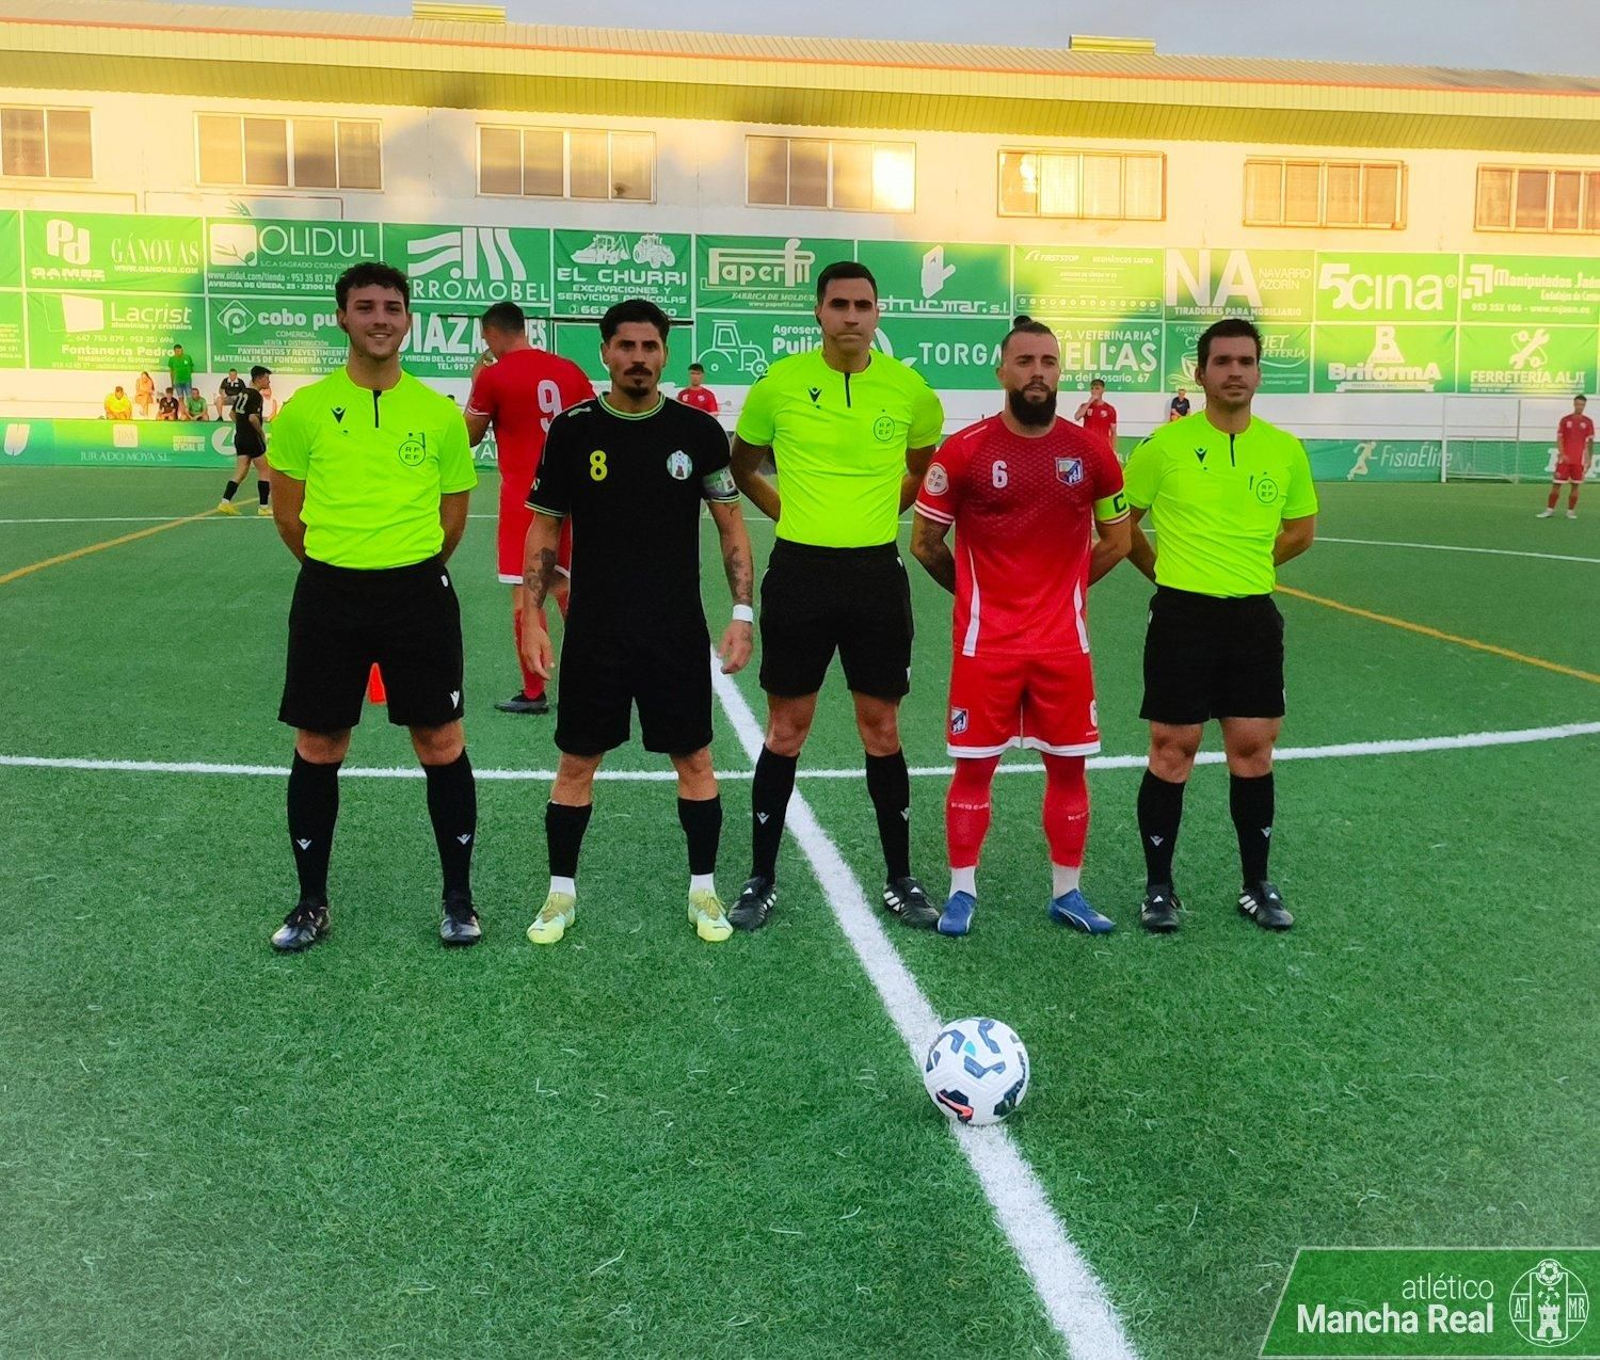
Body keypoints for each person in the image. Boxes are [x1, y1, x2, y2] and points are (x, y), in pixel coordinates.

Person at [519, 298, 753, 947]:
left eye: (651, 347)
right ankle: (559, 895)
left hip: (675, 629)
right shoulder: (572, 431)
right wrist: (532, 615)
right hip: (595, 628)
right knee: (576, 763)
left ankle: (703, 891)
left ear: (665, 354)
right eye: (626, 347)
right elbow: (544, 527)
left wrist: (741, 613)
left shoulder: (698, 433)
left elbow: (732, 526)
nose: (639, 359)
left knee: (696, 759)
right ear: (606, 353)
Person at [266, 262, 481, 952]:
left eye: (392, 306)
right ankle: (310, 903)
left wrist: (403, 570)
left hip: (417, 593)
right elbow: (290, 516)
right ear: (342, 317)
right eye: (365, 306)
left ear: (408, 318)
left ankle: (457, 899)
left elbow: (453, 519)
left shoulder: (439, 415)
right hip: (330, 593)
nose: (380, 317)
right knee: (318, 744)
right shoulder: (303, 411)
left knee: (440, 743)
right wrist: (342, 567)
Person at [729, 260, 945, 931]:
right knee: (786, 729)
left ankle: (902, 878)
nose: (852, 316)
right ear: (818, 313)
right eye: (840, 304)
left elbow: (921, 472)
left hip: (876, 575)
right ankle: (761, 876)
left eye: (864, 305)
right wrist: (785, 513)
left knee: (880, 729)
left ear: (878, 314)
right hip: (800, 574)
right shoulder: (780, 385)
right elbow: (740, 468)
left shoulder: (911, 392)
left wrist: (880, 511)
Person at [911, 317, 1130, 936]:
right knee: (974, 767)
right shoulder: (966, 450)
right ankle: (962, 892)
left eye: (1050, 362)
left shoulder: (1091, 451)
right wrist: (978, 598)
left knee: (1069, 768)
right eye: (1026, 361)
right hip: (988, 645)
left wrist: (1067, 592)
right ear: (1002, 371)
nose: (1039, 372)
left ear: (1061, 372)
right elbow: (926, 542)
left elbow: (1117, 539)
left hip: (1065, 645)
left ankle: (1068, 892)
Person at [1122, 316, 1318, 935]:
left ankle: (1256, 884)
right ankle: (1159, 887)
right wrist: (1165, 574)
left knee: (1253, 751)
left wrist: (1250, 566)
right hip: (1182, 615)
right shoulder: (1163, 447)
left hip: (1254, 618)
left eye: (1246, 361)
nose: (1235, 371)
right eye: (1223, 361)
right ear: (1201, 372)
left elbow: (1301, 531)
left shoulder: (1284, 449)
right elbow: (1123, 525)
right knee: (1172, 750)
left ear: (1259, 372)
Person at [464, 301, 594, 715]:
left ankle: (534, 691)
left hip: (525, 500)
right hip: (575, 498)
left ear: (492, 334)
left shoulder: (494, 375)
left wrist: (476, 381)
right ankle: (595, 678)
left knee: (525, 593)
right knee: (566, 586)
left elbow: (468, 435)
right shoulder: (570, 370)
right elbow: (593, 424)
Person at [215, 365, 273, 517]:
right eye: (267, 378)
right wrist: (261, 433)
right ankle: (263, 506)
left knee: (240, 472)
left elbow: (232, 414)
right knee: (265, 470)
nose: (269, 381)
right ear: (259, 379)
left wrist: (241, 428)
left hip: (240, 437)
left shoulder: (243, 393)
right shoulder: (255, 395)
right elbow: (253, 418)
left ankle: (225, 502)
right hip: (252, 438)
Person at [1537, 395, 1592, 519]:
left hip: (1579, 460)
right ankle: (1549, 510)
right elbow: (1560, 438)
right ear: (1574, 404)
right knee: (1556, 484)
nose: (1579, 407)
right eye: (1577, 404)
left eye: (1582, 405)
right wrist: (1562, 453)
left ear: (1585, 405)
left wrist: (1588, 458)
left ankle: (1570, 511)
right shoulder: (1565, 420)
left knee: (1575, 485)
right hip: (1565, 460)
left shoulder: (1588, 422)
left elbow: (1589, 442)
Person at [1075, 378, 1117, 454]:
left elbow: (1113, 432)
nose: (1094, 391)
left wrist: (1113, 450)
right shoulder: (1085, 406)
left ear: (1103, 390)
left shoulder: (1109, 409)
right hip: (1087, 444)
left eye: (1097, 388)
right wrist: (1089, 402)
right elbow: (1077, 417)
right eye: (1092, 388)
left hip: (1102, 445)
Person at [169, 343, 195, 419]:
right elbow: (171, 371)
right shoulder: (172, 359)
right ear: (174, 351)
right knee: (180, 398)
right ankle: (183, 415)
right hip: (177, 381)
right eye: (176, 351)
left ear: (182, 350)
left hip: (187, 381)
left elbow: (192, 368)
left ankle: (189, 415)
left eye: (179, 351)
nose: (178, 353)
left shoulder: (187, 357)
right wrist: (172, 382)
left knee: (189, 398)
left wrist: (188, 373)